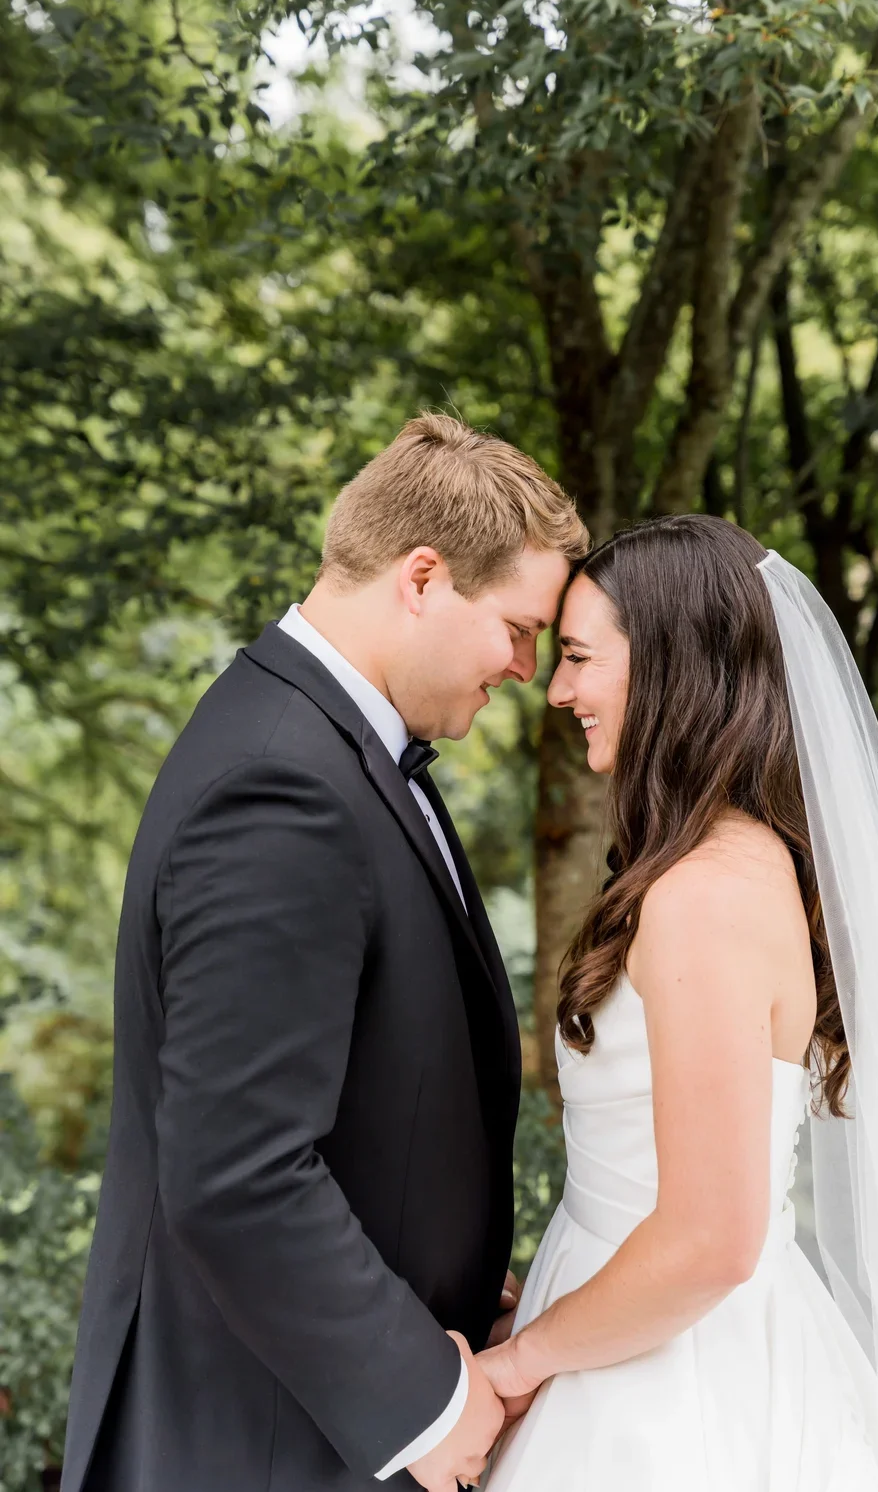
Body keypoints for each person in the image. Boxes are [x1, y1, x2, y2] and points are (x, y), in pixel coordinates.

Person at [60, 413, 589, 1492]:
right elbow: (237, 1171)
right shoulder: (281, 784)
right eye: (519, 627)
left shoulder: (333, 752)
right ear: (424, 577)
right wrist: (417, 1398)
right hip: (257, 1439)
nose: (529, 669)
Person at [479, 514, 878, 1491]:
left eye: (582, 657)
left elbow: (711, 1240)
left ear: (674, 668)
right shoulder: (718, 862)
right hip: (620, 1322)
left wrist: (514, 1364)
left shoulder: (703, 895)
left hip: (672, 1391)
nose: (557, 689)